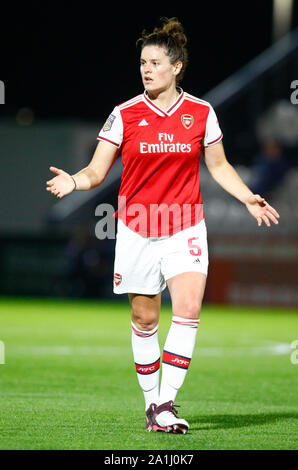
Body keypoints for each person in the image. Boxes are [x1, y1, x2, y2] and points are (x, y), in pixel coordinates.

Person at [46, 17, 280, 434]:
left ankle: (167, 403)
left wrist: (247, 196)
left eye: (154, 62)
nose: (145, 69)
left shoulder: (201, 113)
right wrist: (74, 180)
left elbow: (219, 165)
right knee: (145, 320)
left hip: (185, 225)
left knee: (188, 310)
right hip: (137, 227)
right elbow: (98, 171)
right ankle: (152, 403)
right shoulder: (124, 114)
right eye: (142, 62)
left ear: (176, 67)